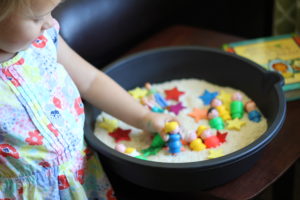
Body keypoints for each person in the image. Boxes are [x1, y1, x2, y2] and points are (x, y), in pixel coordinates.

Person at [0, 0, 177, 199]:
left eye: (51, 12)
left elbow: (91, 82)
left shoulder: (45, 40)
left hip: (80, 172)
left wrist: (143, 117)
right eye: (37, 18)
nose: (50, 23)